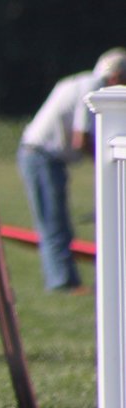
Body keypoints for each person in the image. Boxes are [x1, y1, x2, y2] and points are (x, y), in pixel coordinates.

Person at [18, 49, 126, 292]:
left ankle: (67, 280)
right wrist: (108, 164)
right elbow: (81, 139)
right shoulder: (93, 88)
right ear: (117, 76)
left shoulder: (81, 80)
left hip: (44, 155)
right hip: (41, 156)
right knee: (53, 221)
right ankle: (62, 283)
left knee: (57, 221)